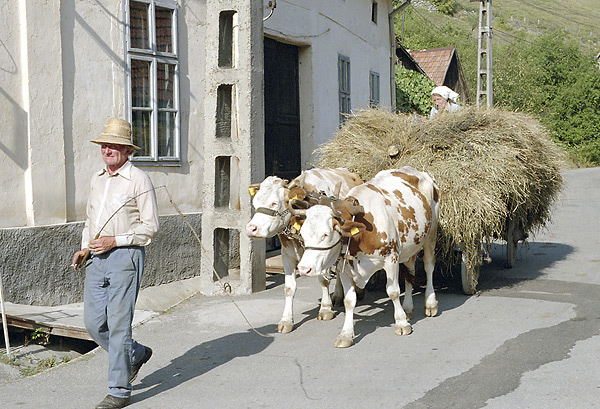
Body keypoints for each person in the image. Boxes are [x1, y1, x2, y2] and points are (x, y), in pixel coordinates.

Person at [72, 118, 159, 409]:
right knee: (94, 323)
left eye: (115, 145)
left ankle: (119, 390)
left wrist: (116, 240)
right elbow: (90, 219)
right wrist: (85, 248)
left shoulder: (139, 180)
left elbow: (151, 227)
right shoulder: (98, 179)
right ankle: (134, 354)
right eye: (104, 145)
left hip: (126, 256)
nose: (108, 150)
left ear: (127, 150)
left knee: (120, 325)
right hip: (97, 257)